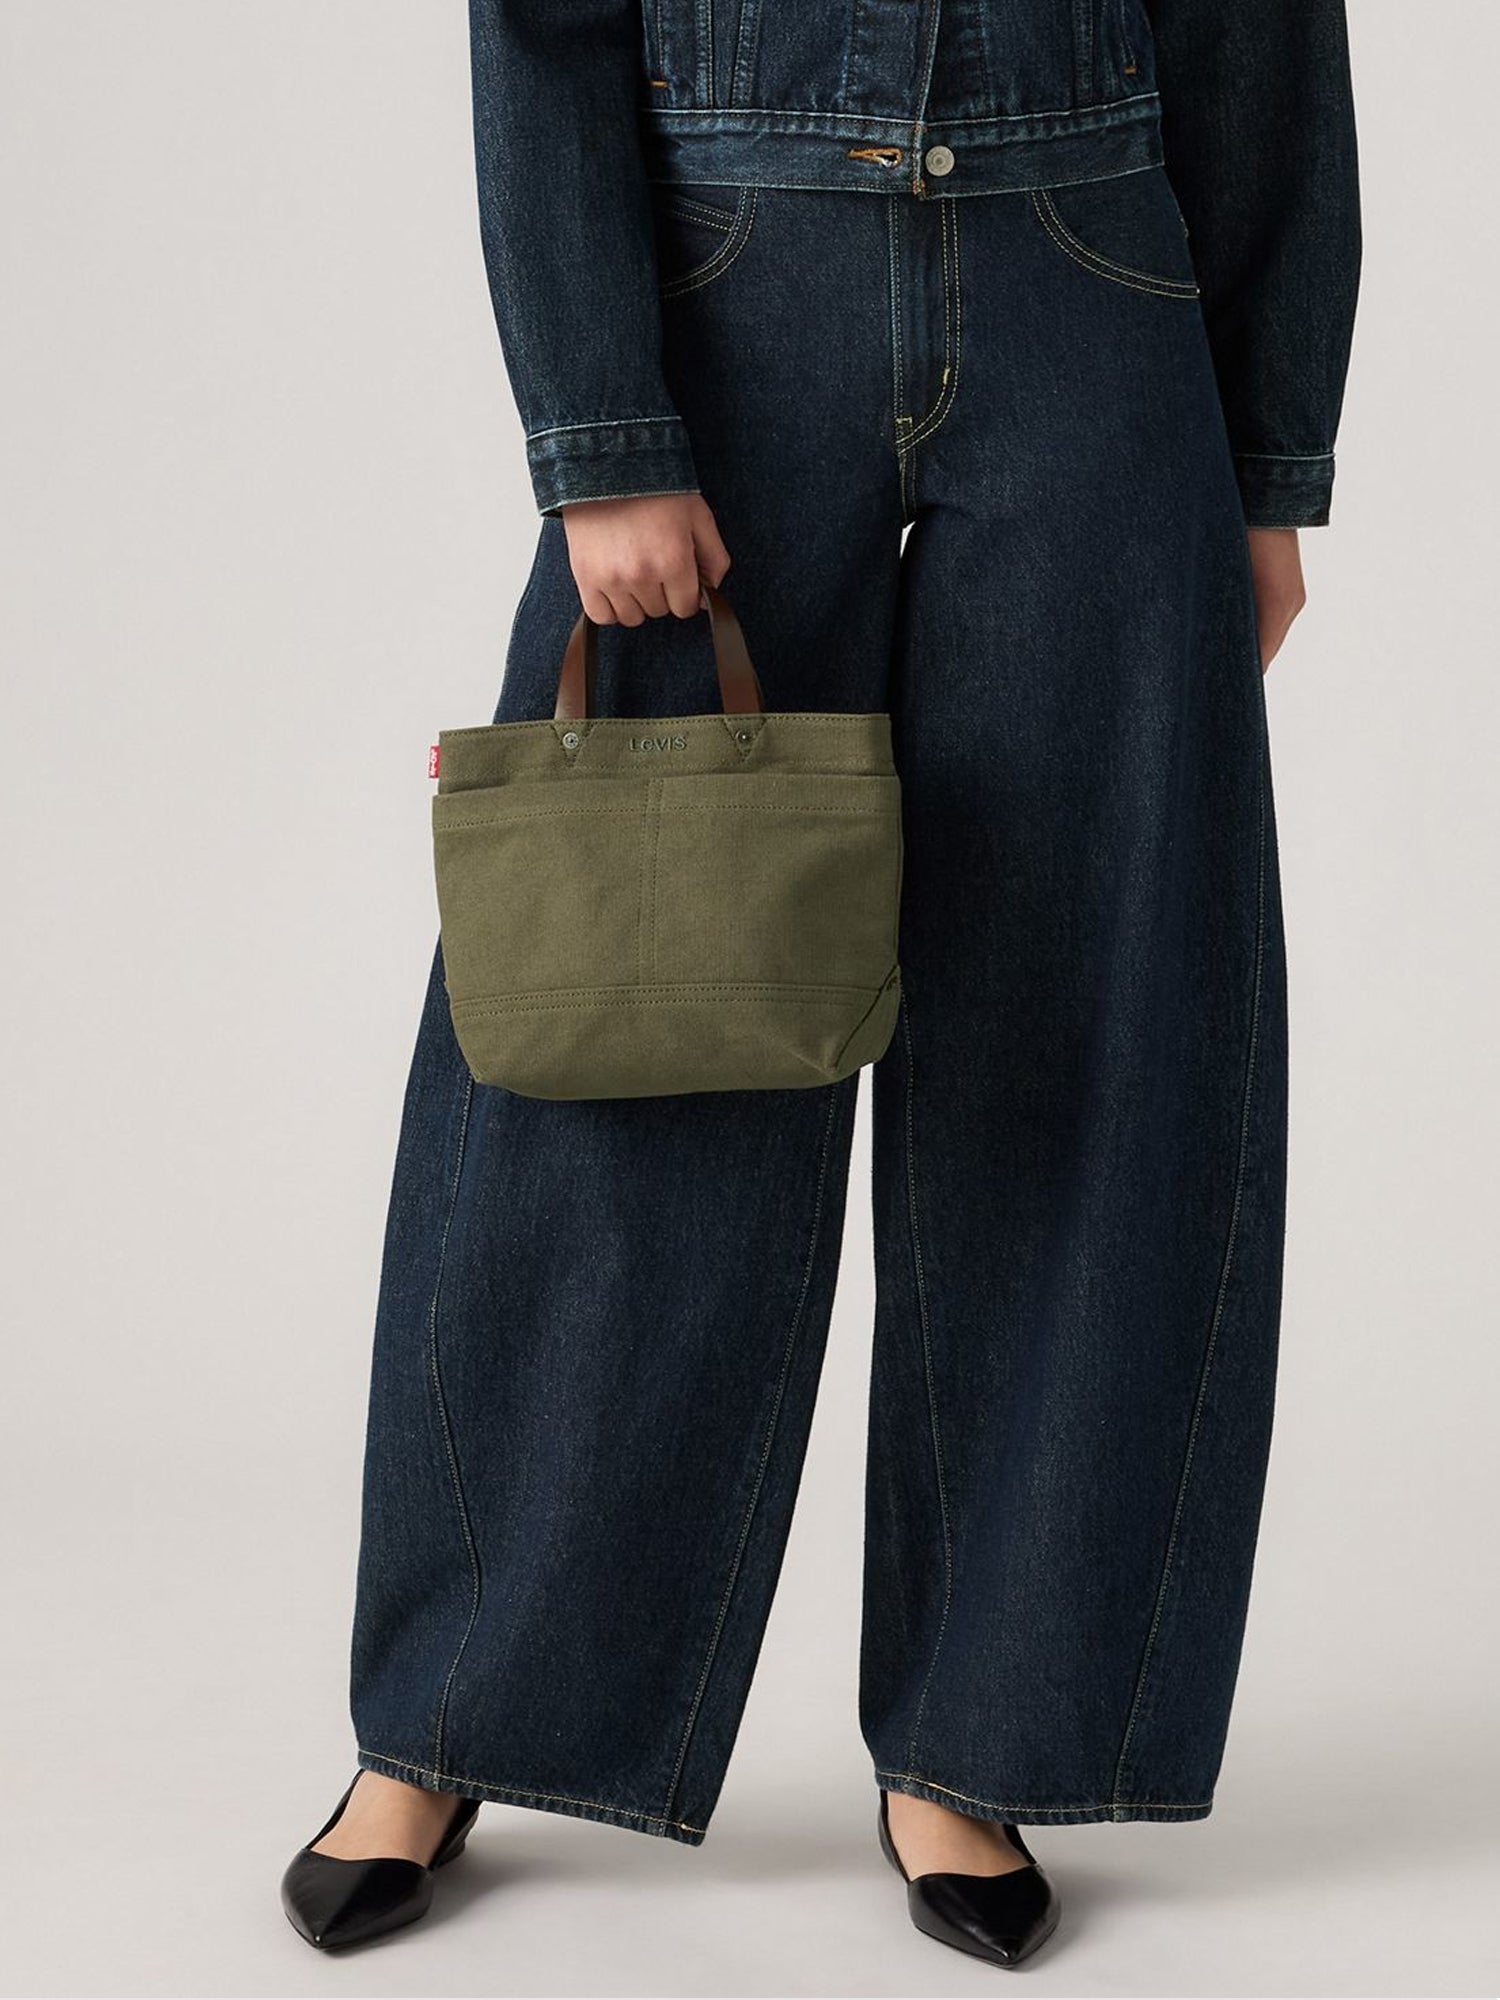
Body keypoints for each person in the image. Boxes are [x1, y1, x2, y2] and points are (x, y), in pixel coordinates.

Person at [279, 0, 1361, 1967]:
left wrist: (1268, 459)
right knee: (624, 1021)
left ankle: (977, 1741)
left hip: (1099, 291)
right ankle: (450, 1716)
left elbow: (1263, 33)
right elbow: (542, 31)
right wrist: (601, 431)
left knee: (1085, 1041)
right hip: (729, 291)